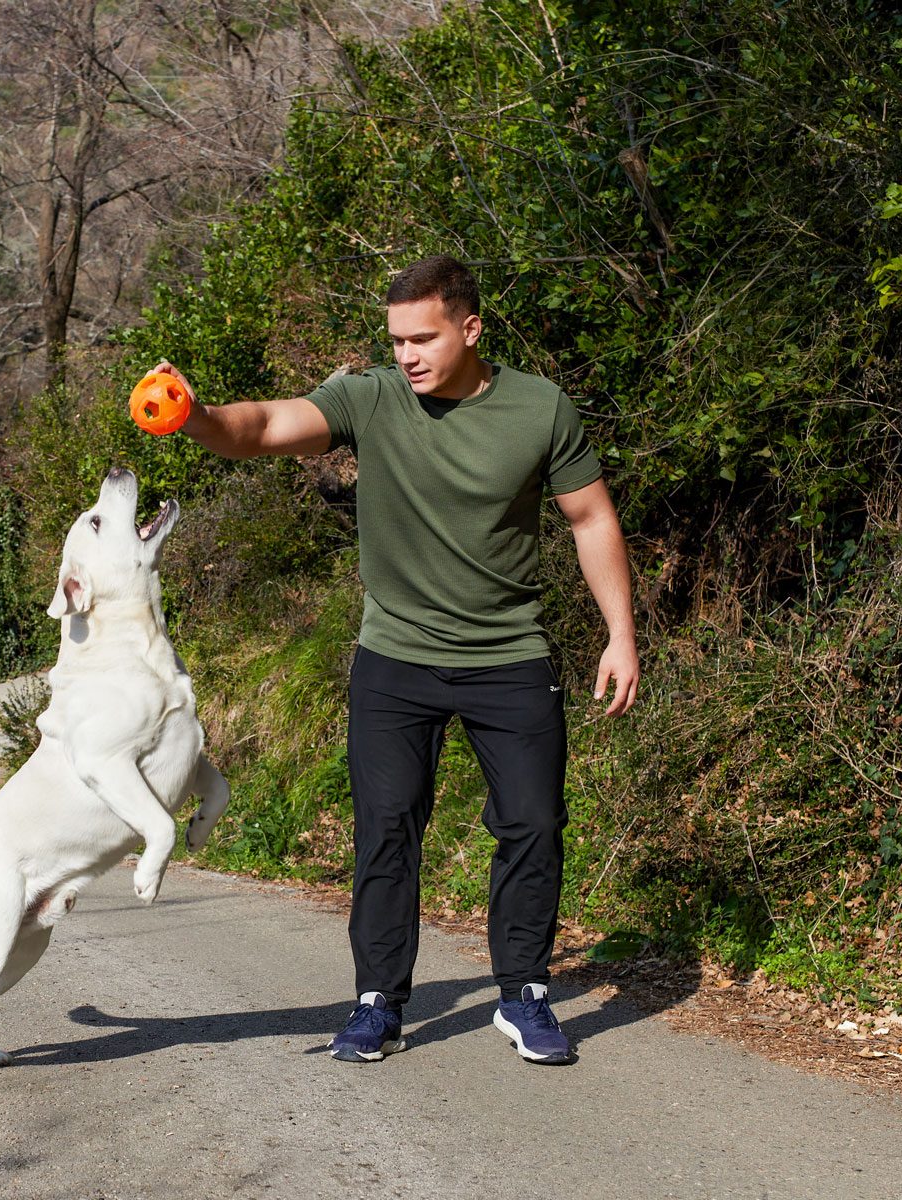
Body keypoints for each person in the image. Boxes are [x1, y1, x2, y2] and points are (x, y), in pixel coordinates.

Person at [158, 254, 639, 1066]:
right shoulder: (372, 397)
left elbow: (590, 517)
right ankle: (378, 1003)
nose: (406, 354)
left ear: (471, 328)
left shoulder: (539, 409)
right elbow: (267, 428)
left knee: (534, 826)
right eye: (396, 339)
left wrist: (620, 632)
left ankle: (524, 994)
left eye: (423, 337)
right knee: (386, 831)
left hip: (508, 652)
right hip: (396, 659)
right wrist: (196, 413)